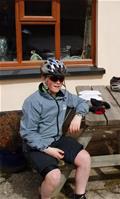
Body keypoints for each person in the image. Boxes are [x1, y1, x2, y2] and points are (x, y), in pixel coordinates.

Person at [20, 58, 91, 199]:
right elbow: (27, 132)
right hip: (37, 145)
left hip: (56, 139)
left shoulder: (63, 95)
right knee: (54, 176)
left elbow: (82, 102)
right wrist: (48, 150)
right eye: (54, 78)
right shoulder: (33, 102)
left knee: (85, 158)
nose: (58, 82)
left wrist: (78, 115)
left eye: (61, 78)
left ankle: (79, 195)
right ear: (44, 78)